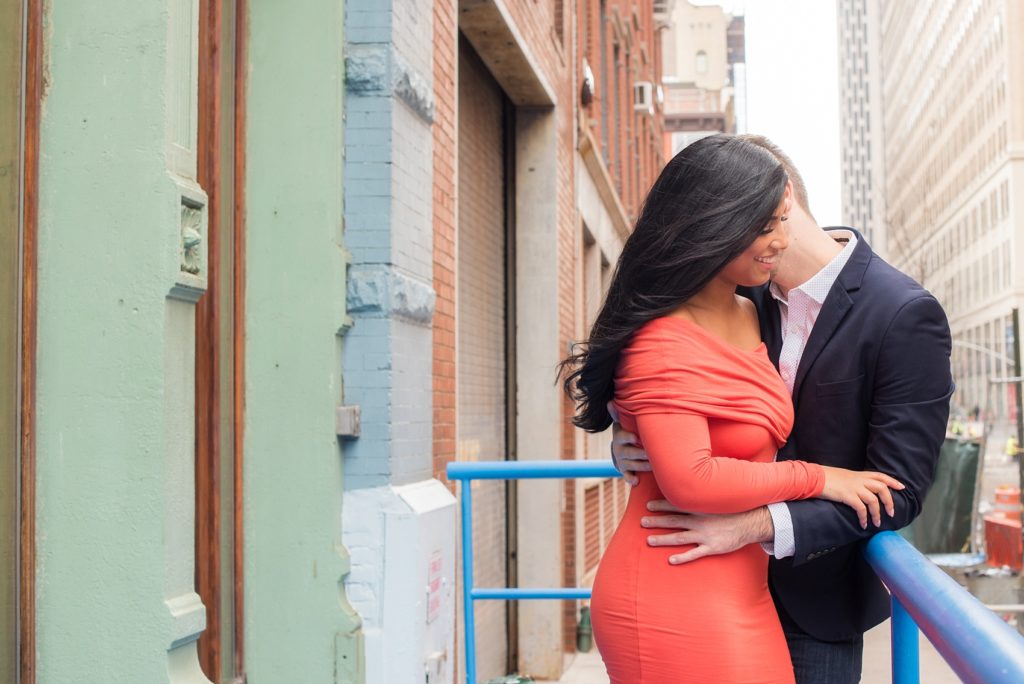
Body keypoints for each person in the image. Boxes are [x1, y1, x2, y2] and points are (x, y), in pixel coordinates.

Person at [561, 134, 905, 684]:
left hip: (741, 590)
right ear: (712, 229)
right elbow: (691, 479)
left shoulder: (752, 310)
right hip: (673, 585)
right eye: (762, 228)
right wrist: (821, 478)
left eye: (780, 220)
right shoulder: (661, 337)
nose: (779, 242)